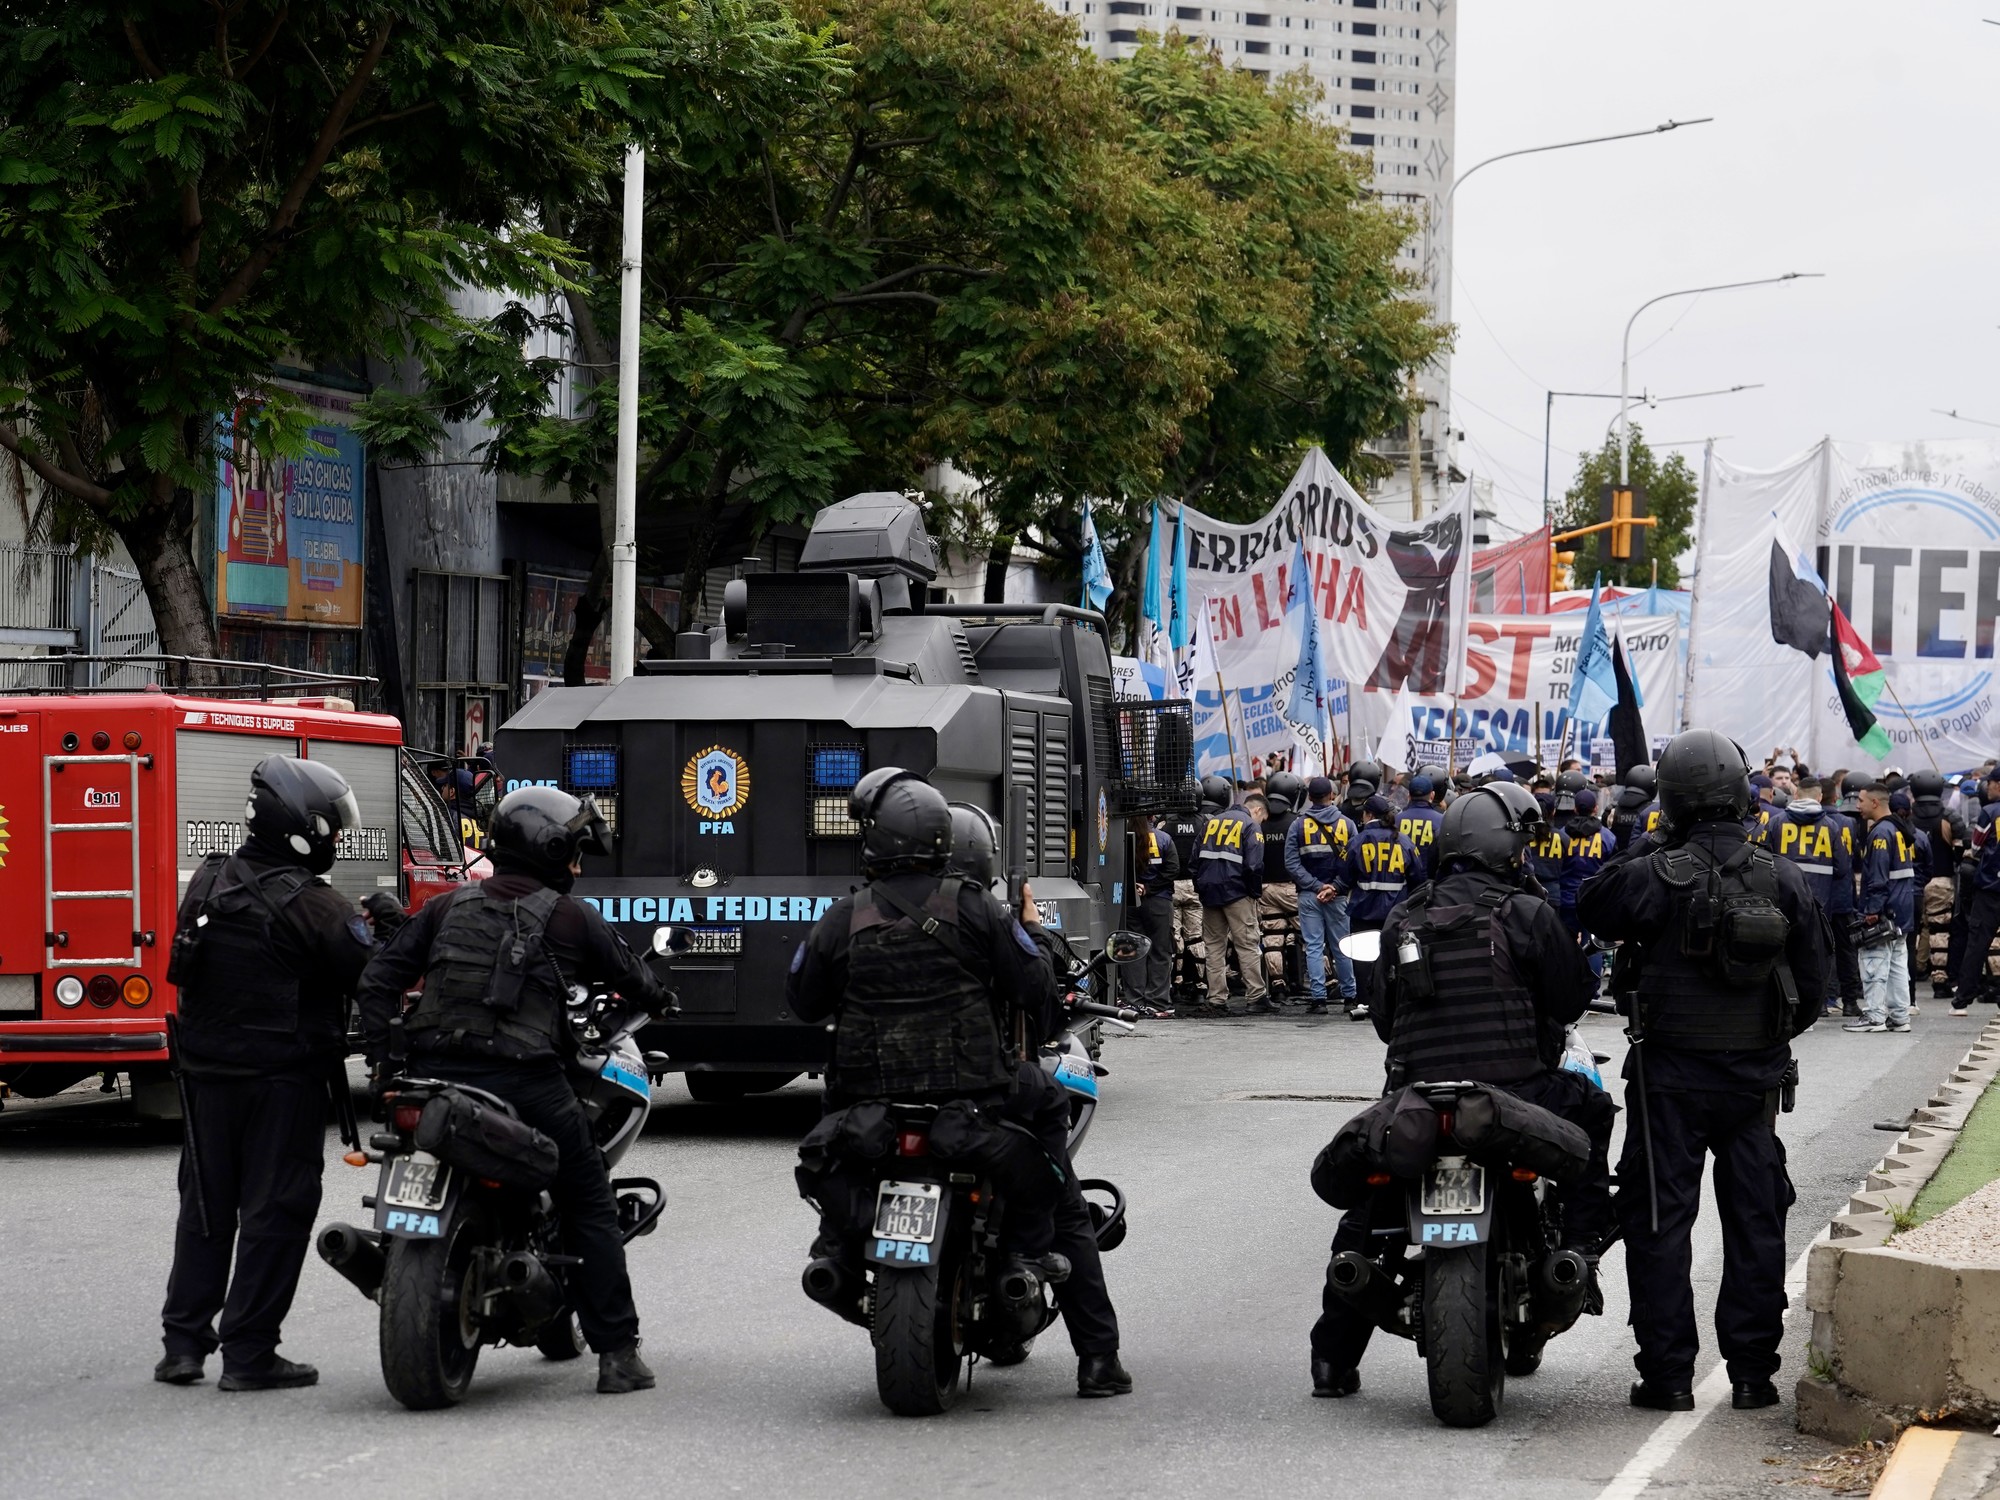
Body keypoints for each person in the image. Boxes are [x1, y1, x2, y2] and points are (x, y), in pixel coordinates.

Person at [787, 772, 1105, 1384]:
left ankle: (835, 1248)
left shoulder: (843, 915)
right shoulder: (977, 908)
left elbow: (802, 999)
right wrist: (1032, 930)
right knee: (1055, 1154)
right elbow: (1035, 995)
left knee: (832, 1127)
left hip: (872, 1101)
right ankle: (1093, 1352)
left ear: (873, 842)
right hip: (977, 1098)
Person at [356, 786, 670, 1395]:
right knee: (587, 1196)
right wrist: (662, 998)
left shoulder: (446, 907)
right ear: (551, 850)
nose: (577, 867)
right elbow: (633, 977)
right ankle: (617, 1354)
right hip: (523, 1080)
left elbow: (377, 979)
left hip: (429, 1075)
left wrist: (384, 1063)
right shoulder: (571, 917)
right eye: (574, 853)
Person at [1308, 782, 1614, 1398]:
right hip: (1516, 1098)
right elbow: (1572, 998)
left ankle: (1332, 1361)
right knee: (1594, 1108)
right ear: (1507, 848)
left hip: (1419, 1099)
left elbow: (1387, 1021)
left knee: (1370, 1217)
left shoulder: (1403, 917)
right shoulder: (1526, 913)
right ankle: (1583, 1245)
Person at [1577, 729, 1832, 1413]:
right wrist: (1762, 1044)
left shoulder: (1653, 872)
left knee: (1659, 1225)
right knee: (1757, 1223)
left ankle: (1667, 1378)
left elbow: (1591, 904)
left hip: (1668, 1083)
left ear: (1672, 800)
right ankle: (1752, 1375)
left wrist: (1653, 841)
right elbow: (1814, 988)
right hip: (1753, 1084)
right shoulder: (1782, 876)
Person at [157, 756, 375, 1391]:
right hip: (281, 1078)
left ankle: (183, 1345)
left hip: (203, 1075)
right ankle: (249, 1353)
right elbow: (373, 971)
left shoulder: (208, 880)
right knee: (275, 1211)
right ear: (300, 826)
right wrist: (383, 925)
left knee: (204, 1207)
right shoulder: (315, 905)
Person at [1754, 775, 1854, 1016]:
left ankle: (1785, 1002)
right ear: (1820, 797)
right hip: (1819, 900)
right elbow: (1842, 868)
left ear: (1795, 795)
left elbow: (1762, 859)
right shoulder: (1831, 826)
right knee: (1816, 953)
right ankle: (1818, 1005)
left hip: (1781, 898)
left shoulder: (1776, 823)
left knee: (1782, 951)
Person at [1846, 782, 1916, 1034]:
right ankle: (1899, 1017)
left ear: (1875, 803)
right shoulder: (1901, 829)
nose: (1857, 806)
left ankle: (1875, 1017)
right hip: (1903, 908)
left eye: (1861, 801)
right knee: (1898, 964)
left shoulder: (1880, 834)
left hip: (1884, 910)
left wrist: (1871, 911)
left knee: (1874, 961)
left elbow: (1878, 878)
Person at [1341, 795, 1420, 1020]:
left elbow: (1345, 874)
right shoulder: (1405, 842)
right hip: (1397, 912)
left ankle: (1365, 1002)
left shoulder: (1357, 841)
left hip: (1363, 910)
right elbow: (1417, 877)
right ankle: (1396, 999)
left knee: (1364, 958)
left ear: (1368, 815)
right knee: (1396, 955)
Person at [1194, 782, 1268, 1016]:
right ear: (1256, 810)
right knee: (1247, 944)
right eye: (1262, 819)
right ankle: (1256, 996)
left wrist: (1201, 887)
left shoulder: (1210, 823)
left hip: (1209, 893)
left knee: (1214, 947)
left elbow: (1194, 861)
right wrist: (1254, 893)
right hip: (1237, 893)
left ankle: (1216, 999)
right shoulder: (1251, 826)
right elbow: (1254, 866)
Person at [1286, 777, 1358, 1015]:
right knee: (1342, 947)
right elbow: (1353, 863)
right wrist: (1334, 887)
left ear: (1309, 797)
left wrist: (1316, 886)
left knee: (1314, 947)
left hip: (1310, 896)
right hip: (1337, 896)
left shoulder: (1298, 825)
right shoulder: (1347, 825)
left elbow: (1292, 863)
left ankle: (1319, 1000)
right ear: (1332, 795)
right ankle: (1350, 997)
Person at [1258, 771, 1306, 1004]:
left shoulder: (1259, 824)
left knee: (1272, 938)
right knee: (1310, 936)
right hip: (1291, 889)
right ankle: (1327, 981)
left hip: (1265, 888)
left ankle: (1277, 985)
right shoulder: (1297, 823)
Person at [1130, 812, 1179, 1011]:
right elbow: (1173, 869)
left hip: (1131, 903)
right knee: (1160, 951)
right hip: (1159, 901)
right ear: (1151, 817)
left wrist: (1134, 887)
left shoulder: (1124, 837)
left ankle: (1135, 1000)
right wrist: (1150, 888)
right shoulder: (1164, 839)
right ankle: (1158, 1001)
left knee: (1132, 951)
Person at [1396, 773, 1445, 882]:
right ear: (1432, 795)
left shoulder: (1396, 820)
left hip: (1400, 882)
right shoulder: (1441, 820)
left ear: (1409, 795)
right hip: (1428, 884)